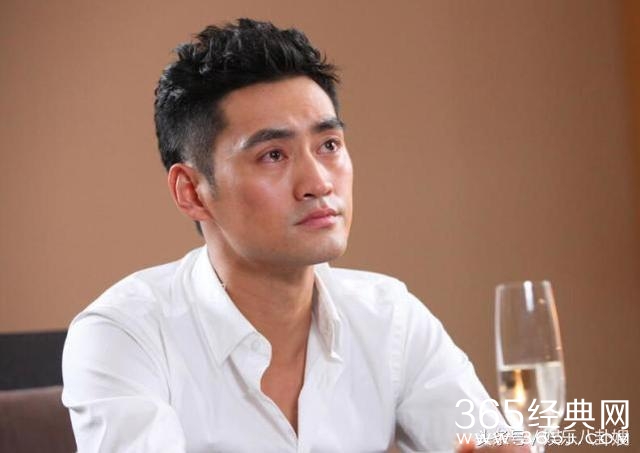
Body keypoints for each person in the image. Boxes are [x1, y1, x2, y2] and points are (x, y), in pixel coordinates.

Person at [62, 19, 525, 452]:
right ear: (192, 191)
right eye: (273, 155)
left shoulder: (390, 318)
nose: (318, 183)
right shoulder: (123, 336)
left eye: (329, 145)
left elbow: (491, 444)